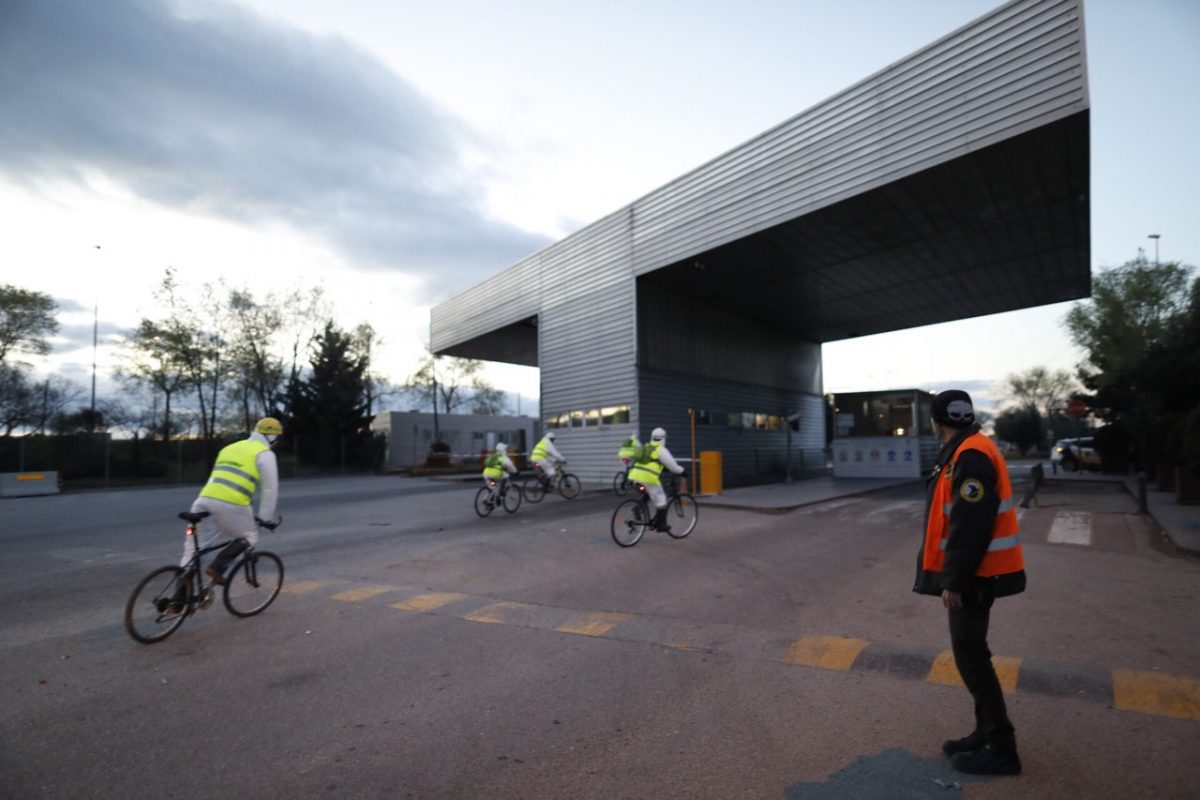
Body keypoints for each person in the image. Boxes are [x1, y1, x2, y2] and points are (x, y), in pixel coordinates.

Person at [914, 390, 1025, 776]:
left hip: (977, 576)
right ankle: (985, 733)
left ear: (936, 421)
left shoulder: (970, 455)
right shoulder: (967, 449)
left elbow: (970, 525)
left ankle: (1003, 749)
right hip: (977, 572)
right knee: (973, 653)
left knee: (971, 656)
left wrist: (956, 582)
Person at [175, 417, 283, 608]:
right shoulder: (265, 454)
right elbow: (269, 490)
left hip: (203, 502)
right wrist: (265, 519)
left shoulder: (229, 448)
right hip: (232, 504)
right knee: (249, 537)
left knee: (192, 552)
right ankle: (217, 567)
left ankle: (177, 602)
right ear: (272, 437)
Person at [627, 427, 687, 533]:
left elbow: (648, 461)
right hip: (648, 480)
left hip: (636, 479)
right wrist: (682, 471)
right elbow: (672, 465)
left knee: (646, 493)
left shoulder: (646, 446)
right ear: (663, 438)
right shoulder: (661, 450)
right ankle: (661, 525)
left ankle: (637, 508)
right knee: (661, 499)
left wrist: (662, 468)